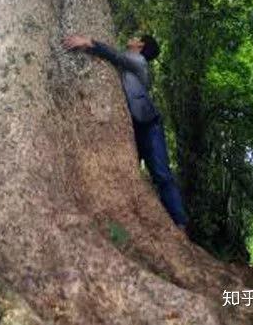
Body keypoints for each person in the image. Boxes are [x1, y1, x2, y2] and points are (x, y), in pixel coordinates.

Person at [63, 33, 187, 229]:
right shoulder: (132, 64)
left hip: (149, 125)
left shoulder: (138, 61)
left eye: (136, 37)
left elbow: (116, 56)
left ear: (140, 45)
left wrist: (89, 42)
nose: (131, 37)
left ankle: (180, 222)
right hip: (135, 127)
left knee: (162, 174)